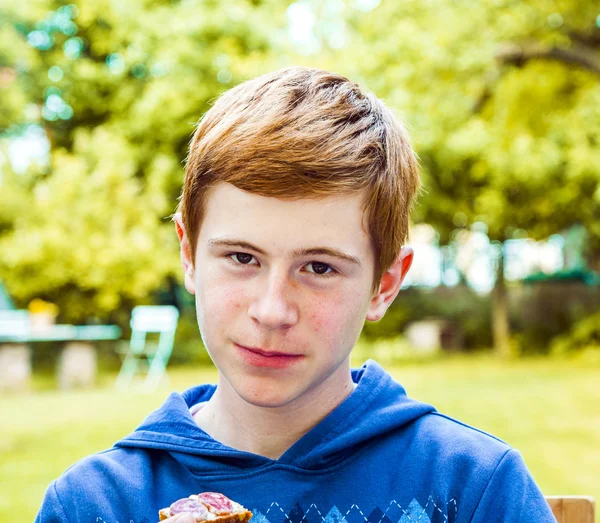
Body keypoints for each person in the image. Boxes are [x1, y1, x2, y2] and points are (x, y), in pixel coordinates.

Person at [36, 66, 556, 523]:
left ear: (385, 285)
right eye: (242, 258)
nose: (272, 310)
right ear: (190, 256)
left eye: (319, 267)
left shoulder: (472, 491)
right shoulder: (95, 505)